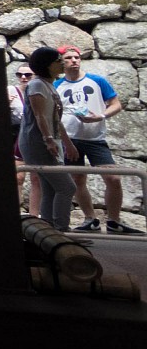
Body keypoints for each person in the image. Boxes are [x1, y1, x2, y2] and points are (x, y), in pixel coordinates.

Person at [57, 48, 132, 234]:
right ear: (61, 62)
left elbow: (116, 104)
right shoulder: (57, 85)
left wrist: (100, 116)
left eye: (77, 57)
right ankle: (90, 218)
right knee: (77, 179)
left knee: (113, 178)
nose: (74, 61)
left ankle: (114, 220)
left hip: (95, 138)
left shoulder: (97, 81)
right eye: (69, 58)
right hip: (70, 138)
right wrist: (64, 141)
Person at [18, 44, 76, 230]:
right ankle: (61, 230)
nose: (63, 64)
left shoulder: (48, 85)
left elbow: (55, 119)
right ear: (48, 65)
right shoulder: (36, 84)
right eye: (58, 61)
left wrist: (67, 143)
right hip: (38, 142)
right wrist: (48, 140)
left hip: (48, 140)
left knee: (51, 188)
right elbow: (39, 115)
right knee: (67, 187)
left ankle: (49, 231)